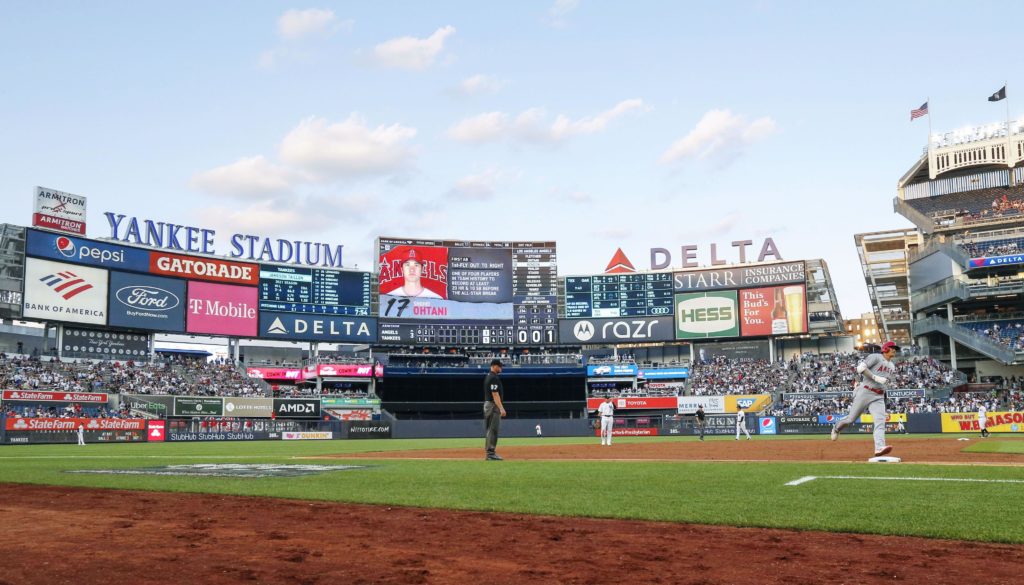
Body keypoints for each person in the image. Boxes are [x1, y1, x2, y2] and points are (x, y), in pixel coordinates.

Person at [831, 341, 897, 457]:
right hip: (866, 391)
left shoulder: (892, 366)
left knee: (880, 421)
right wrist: (875, 377)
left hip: (879, 396)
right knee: (850, 419)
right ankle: (836, 428)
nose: (894, 350)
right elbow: (860, 368)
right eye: (892, 347)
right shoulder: (876, 357)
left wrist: (885, 403)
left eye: (895, 348)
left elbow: (886, 385)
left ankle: (879, 447)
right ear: (885, 349)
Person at [483, 359, 506, 460]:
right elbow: (495, 394)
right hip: (493, 405)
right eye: (500, 366)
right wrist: (501, 408)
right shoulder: (493, 378)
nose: (501, 368)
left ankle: (489, 452)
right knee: (493, 429)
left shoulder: (489, 376)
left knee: (490, 430)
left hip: (489, 404)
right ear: (494, 366)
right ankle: (490, 453)